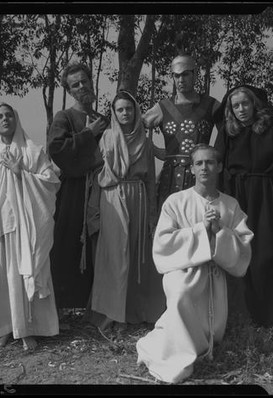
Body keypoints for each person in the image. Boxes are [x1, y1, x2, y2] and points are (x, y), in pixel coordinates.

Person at [136, 144, 254, 384]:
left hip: (215, 270)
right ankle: (181, 352)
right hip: (181, 268)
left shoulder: (230, 205)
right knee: (180, 293)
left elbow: (243, 248)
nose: (204, 168)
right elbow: (163, 243)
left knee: (212, 324)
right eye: (198, 163)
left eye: (210, 162)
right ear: (191, 168)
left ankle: (201, 345)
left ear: (219, 166)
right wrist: (201, 231)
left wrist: (220, 231)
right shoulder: (175, 201)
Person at [213, 84, 273, 340]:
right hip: (237, 198)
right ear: (230, 109)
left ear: (255, 104)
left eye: (245, 104)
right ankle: (245, 320)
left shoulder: (272, 127)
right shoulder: (227, 131)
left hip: (267, 197)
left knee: (269, 255)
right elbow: (218, 165)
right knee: (240, 256)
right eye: (236, 105)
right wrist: (217, 203)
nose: (241, 110)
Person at [0, 103, 60, 349]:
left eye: (9, 115)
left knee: (24, 273)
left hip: (26, 224)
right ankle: (3, 328)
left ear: (16, 118)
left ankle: (28, 328)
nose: (5, 119)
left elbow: (51, 182)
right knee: (0, 277)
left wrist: (22, 173)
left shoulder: (31, 149)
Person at [88, 91, 165, 332]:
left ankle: (133, 311)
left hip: (138, 196)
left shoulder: (144, 138)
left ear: (136, 111)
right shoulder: (107, 137)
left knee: (135, 253)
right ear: (114, 112)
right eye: (120, 109)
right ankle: (112, 313)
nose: (124, 113)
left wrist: (153, 210)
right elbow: (95, 172)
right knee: (114, 255)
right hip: (112, 196)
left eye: (128, 109)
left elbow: (151, 178)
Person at [47, 63, 108, 315]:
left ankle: (95, 302)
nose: (82, 86)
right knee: (70, 241)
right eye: (75, 84)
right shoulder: (65, 117)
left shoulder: (103, 119)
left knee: (98, 242)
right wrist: (86, 133)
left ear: (91, 81)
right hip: (74, 188)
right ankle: (63, 305)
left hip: (101, 186)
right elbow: (56, 149)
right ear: (69, 90)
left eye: (84, 81)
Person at [142, 53, 220, 210]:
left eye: (185, 74)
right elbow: (133, 126)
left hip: (202, 174)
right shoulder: (163, 107)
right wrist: (154, 149)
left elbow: (229, 132)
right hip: (170, 176)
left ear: (194, 74)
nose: (181, 80)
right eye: (176, 76)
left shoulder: (211, 105)